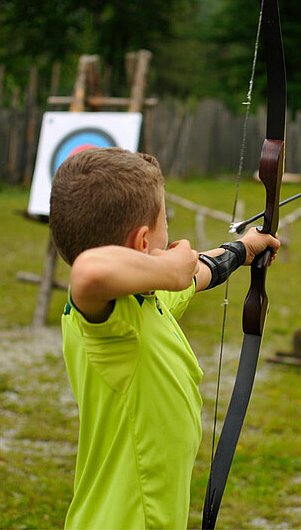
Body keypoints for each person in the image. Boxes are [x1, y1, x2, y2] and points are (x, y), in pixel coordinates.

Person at [49, 147, 280, 529]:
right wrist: (171, 269)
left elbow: (201, 272)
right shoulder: (111, 325)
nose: (171, 233)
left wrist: (244, 249)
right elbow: (88, 272)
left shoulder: (145, 299)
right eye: (164, 222)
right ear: (143, 242)